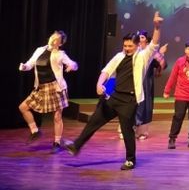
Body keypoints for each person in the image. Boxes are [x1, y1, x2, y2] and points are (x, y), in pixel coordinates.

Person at [63, 11, 163, 170]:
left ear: (137, 45)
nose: (127, 48)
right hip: (114, 97)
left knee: (127, 130)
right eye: (125, 46)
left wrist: (156, 27)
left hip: (129, 100)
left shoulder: (143, 57)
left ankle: (130, 160)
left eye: (130, 46)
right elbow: (106, 71)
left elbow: (154, 44)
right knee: (94, 121)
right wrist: (99, 84)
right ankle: (76, 146)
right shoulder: (119, 56)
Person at [18, 30, 78, 152]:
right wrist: (24, 67)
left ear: (60, 43)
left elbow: (74, 64)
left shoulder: (60, 54)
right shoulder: (39, 50)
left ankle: (57, 143)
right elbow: (30, 64)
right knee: (23, 107)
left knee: (57, 116)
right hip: (40, 87)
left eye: (56, 40)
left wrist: (72, 66)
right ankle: (35, 131)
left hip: (56, 88)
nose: (53, 40)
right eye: (52, 37)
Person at [134, 31, 167, 140]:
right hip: (132, 84)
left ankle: (142, 132)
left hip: (145, 85)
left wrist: (161, 54)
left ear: (147, 41)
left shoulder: (151, 53)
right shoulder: (131, 52)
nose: (139, 39)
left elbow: (162, 65)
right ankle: (126, 130)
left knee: (145, 107)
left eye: (142, 37)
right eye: (138, 37)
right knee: (130, 106)